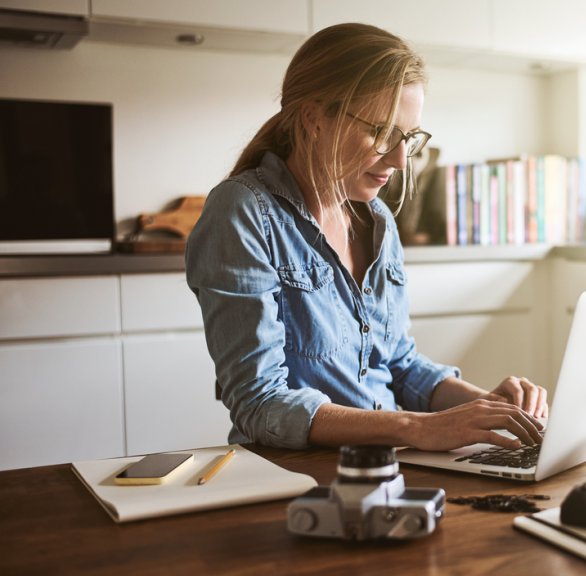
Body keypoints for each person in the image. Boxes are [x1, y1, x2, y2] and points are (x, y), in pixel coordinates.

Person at [185, 23, 547, 453]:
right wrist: (417, 428)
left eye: (408, 139)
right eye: (380, 133)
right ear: (314, 119)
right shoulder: (244, 212)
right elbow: (259, 402)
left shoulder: (377, 221)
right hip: (294, 475)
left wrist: (490, 408)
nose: (399, 159)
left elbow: (399, 365)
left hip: (390, 465)